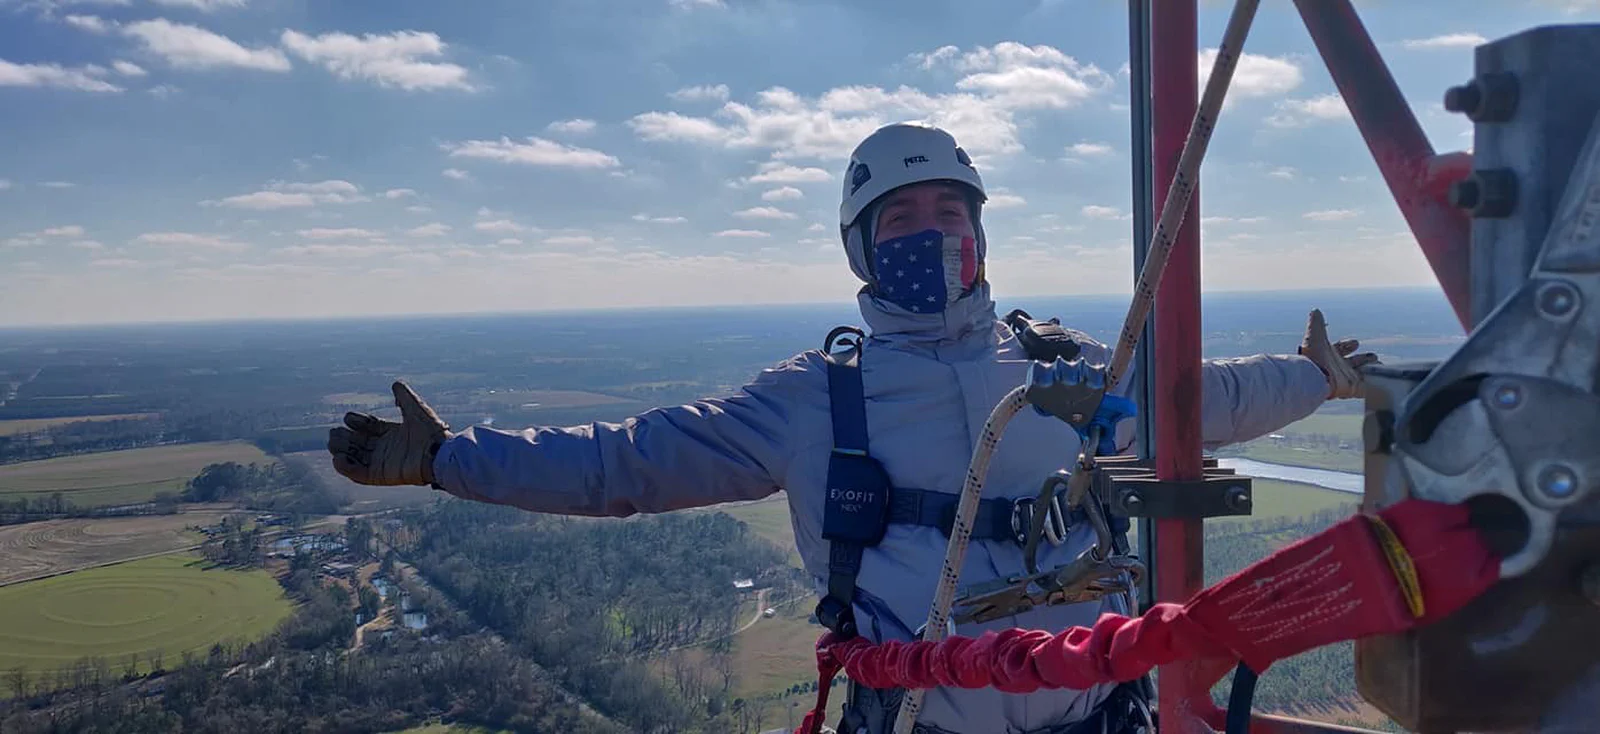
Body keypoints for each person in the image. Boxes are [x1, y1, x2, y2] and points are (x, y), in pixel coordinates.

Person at [327, 121, 1375, 734]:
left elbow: (1205, 400)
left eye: (948, 215)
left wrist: (1315, 377)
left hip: (1097, 716)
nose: (930, 235)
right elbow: (626, 463)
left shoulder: (1061, 367)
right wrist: (451, 459)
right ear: (864, 251)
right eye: (901, 221)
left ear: (979, 236)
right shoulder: (812, 401)